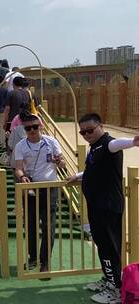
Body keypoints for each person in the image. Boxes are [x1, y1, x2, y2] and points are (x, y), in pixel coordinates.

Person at [67, 113, 139, 304]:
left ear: (101, 126)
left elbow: (118, 144)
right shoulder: (95, 148)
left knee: (109, 247)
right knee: (102, 245)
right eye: (83, 132)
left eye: (90, 130)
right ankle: (108, 280)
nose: (86, 134)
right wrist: (79, 176)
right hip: (97, 205)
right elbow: (94, 170)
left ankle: (115, 289)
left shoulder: (108, 143)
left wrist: (133, 141)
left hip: (107, 207)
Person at [14, 114, 65, 274]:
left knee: (48, 225)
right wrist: (22, 176)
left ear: (41, 126)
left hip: (49, 188)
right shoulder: (21, 145)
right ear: (24, 129)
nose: (32, 130)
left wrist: (59, 161)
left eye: (35, 127)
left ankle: (45, 261)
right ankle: (33, 258)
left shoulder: (51, 142)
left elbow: (62, 163)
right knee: (30, 225)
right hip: (30, 189)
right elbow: (18, 168)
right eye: (28, 128)